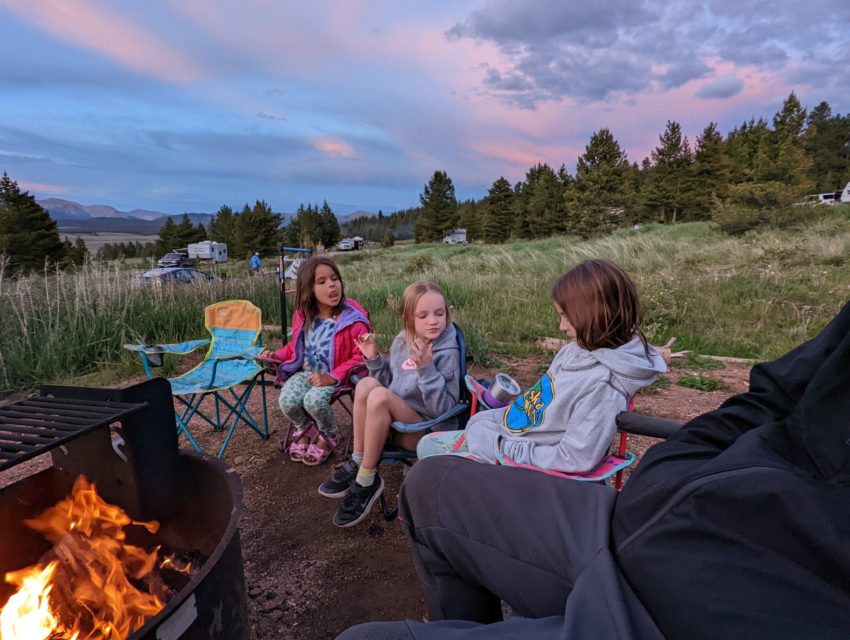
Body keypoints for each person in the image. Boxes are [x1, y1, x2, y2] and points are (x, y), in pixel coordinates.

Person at [337, 300, 850, 640]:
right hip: (655, 518)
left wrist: (495, 435)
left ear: (588, 316)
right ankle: (366, 475)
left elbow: (572, 452)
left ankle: (365, 475)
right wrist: (680, 459)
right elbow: (769, 396)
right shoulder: (570, 357)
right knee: (425, 485)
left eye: (566, 315)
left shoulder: (599, 384)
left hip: (694, 601)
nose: (560, 326)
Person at [417, 259, 666, 473]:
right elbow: (539, 407)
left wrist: (500, 446)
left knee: (427, 465)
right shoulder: (576, 350)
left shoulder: (605, 386)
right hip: (508, 437)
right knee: (426, 446)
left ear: (595, 315)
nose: (561, 327)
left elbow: (574, 458)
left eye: (567, 317)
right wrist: (488, 423)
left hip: (515, 462)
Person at [319, 281, 461, 528]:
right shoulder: (402, 341)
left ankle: (366, 479)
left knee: (379, 397)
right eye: (423, 316)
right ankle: (359, 460)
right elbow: (389, 384)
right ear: (408, 318)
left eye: (440, 313)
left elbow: (444, 410)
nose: (433, 321)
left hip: (427, 431)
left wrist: (426, 370)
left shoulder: (447, 350)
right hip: (394, 423)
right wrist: (373, 358)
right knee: (366, 384)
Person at [267, 256, 370, 466]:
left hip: (335, 375)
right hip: (306, 373)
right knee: (287, 401)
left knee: (313, 401)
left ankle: (329, 435)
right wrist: (277, 356)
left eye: (334, 278)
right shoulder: (304, 316)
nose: (332, 285)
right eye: (321, 281)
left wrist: (333, 376)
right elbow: (296, 346)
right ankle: (304, 429)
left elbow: (361, 357)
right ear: (308, 290)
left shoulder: (353, 321)